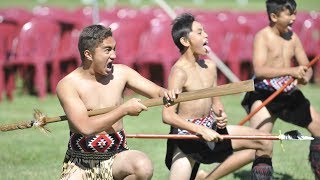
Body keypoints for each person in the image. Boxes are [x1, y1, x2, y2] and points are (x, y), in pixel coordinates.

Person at [196, 0, 320, 179]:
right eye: (289, 14)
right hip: (263, 95)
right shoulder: (263, 36)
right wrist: (291, 71)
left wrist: (304, 77)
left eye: (295, 13)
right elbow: (260, 70)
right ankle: (208, 178)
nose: (294, 17)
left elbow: (305, 69)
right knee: (258, 145)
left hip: (289, 94)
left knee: (318, 127)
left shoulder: (293, 37)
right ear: (274, 16)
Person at [57, 24, 178, 180]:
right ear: (88, 54)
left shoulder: (122, 73)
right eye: (107, 50)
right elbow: (85, 127)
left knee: (142, 166)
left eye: (114, 49)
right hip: (81, 162)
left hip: (117, 156)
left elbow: (157, 92)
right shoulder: (68, 85)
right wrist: (123, 110)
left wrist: (167, 93)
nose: (113, 55)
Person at [162, 13, 274, 180]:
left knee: (264, 141)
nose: (206, 35)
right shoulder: (179, 72)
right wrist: (200, 130)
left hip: (211, 129)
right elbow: (168, 115)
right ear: (185, 41)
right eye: (199, 32)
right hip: (186, 137)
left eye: (204, 31)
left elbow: (216, 104)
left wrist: (221, 116)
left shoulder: (210, 66)